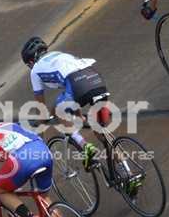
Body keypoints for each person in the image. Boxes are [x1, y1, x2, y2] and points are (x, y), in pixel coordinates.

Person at [21, 37, 110, 170]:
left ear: (31, 61)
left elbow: (41, 109)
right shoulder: (59, 55)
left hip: (77, 83)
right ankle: (125, 168)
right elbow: (71, 91)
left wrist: (40, 135)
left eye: (28, 65)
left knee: (58, 112)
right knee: (101, 133)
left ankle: (85, 146)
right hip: (95, 77)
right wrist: (79, 115)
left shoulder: (35, 71)